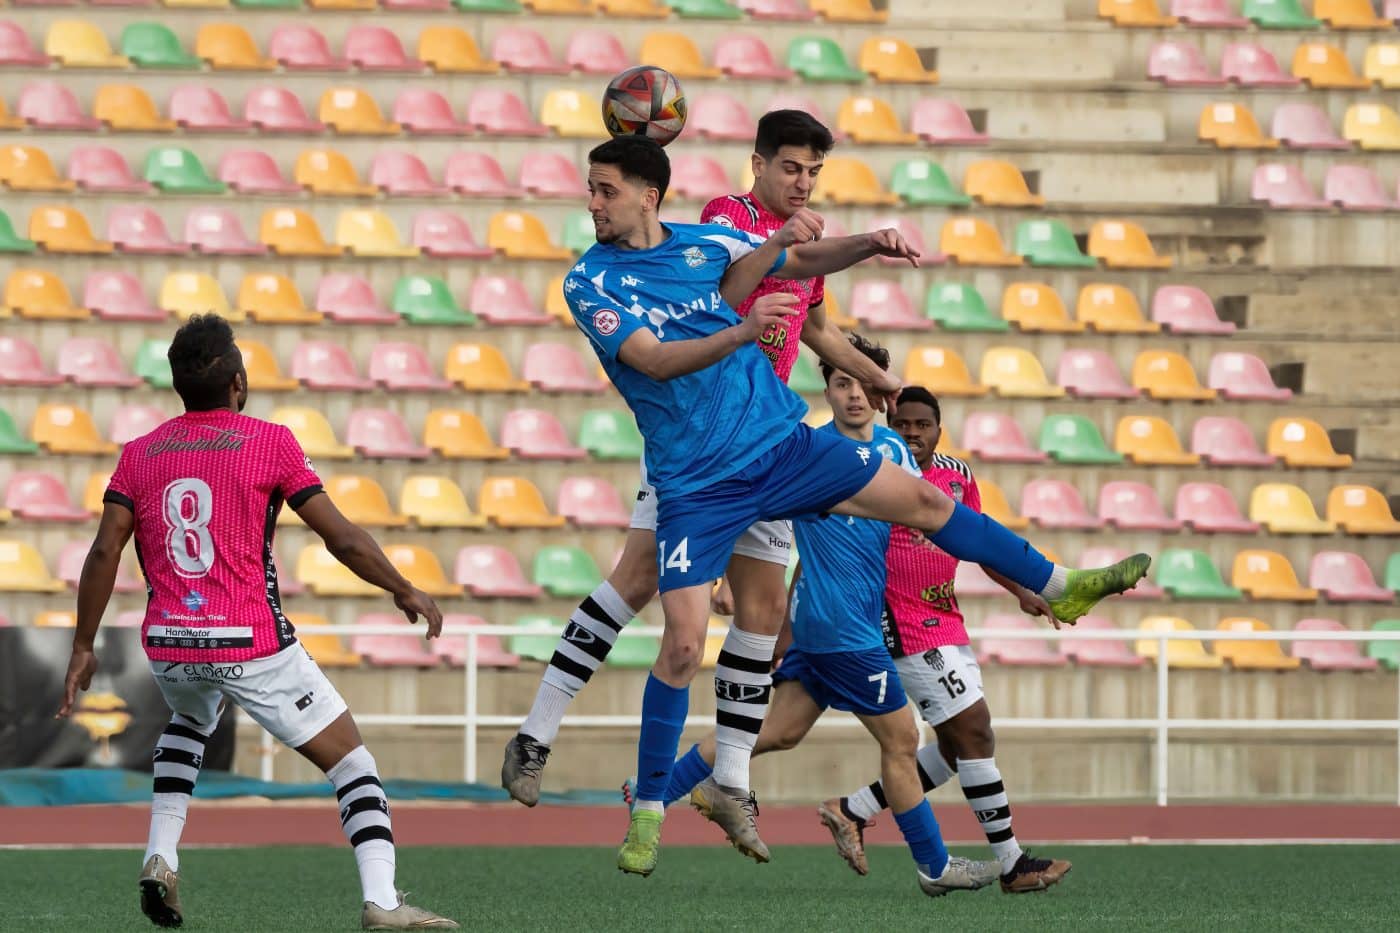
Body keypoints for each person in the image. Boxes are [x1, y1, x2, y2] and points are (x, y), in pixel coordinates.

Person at [561, 135, 1150, 878]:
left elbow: (802, 290)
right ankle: (650, 803)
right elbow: (664, 350)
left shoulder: (708, 241)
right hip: (697, 479)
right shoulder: (621, 266)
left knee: (925, 504)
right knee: (681, 641)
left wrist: (867, 257)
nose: (592, 202)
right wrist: (750, 318)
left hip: (778, 445)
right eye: (592, 188)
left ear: (645, 196)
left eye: (603, 189)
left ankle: (1062, 585)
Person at [502, 112, 903, 814]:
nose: (802, 182)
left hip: (768, 442)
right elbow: (710, 302)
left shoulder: (793, 235)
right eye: (790, 168)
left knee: (765, 607)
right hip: (702, 447)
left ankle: (731, 783)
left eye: (813, 171)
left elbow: (813, 327)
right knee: (637, 587)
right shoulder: (726, 219)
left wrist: (881, 378)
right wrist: (774, 259)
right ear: (758, 165)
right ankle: (538, 736)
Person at [55, 315, 457, 931]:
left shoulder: (138, 454)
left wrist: (84, 644)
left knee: (192, 715)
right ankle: (383, 901)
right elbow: (340, 538)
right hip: (248, 640)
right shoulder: (270, 442)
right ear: (238, 383)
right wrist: (402, 587)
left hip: (167, 640)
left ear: (178, 387)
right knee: (352, 764)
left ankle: (160, 855)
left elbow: (105, 550)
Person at [639, 338, 1004, 897]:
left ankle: (651, 797)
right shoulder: (802, 451)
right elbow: (743, 502)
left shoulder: (895, 451)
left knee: (774, 733)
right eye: (841, 383)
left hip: (838, 624)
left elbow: (920, 532)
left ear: (877, 387)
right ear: (828, 389)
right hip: (842, 633)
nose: (853, 395)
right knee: (902, 742)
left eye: (861, 383)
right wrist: (716, 577)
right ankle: (935, 867)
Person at [814, 386, 1072, 893]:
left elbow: (976, 541)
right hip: (901, 620)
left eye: (922, 425)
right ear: (892, 423)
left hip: (946, 618)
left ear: (938, 428)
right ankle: (1013, 863)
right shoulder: (876, 471)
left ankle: (852, 809)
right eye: (904, 423)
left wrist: (1022, 590)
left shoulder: (958, 477)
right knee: (974, 730)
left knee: (959, 749)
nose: (912, 433)